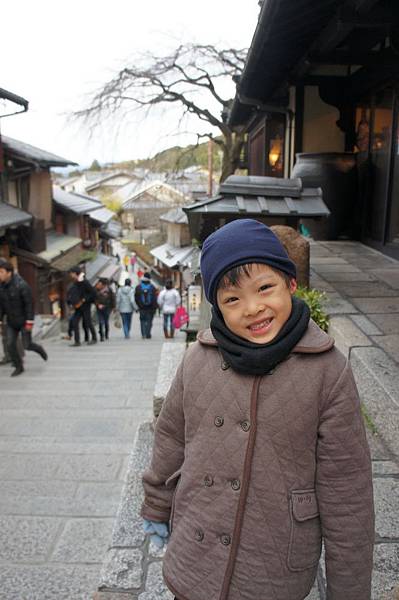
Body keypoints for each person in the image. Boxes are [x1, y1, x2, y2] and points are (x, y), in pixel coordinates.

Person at [141, 219, 374, 600]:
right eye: (232, 299)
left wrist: (349, 590)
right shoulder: (198, 359)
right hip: (195, 550)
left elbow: (347, 492)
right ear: (216, 305)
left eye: (265, 288)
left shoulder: (328, 371)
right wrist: (156, 504)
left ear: (291, 284)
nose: (253, 308)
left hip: (272, 561)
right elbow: (170, 439)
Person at [0, 260, 48, 377]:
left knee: (27, 345)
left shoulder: (22, 285)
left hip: (24, 321)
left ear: (9, 273)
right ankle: (19, 366)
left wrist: (29, 322)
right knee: (10, 344)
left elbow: (29, 304)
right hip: (11, 321)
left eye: (1, 272)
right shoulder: (1, 287)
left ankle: (39, 349)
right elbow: (1, 306)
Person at [68, 266, 97, 346]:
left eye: (71, 273)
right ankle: (77, 341)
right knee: (74, 322)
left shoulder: (85, 282)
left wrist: (84, 299)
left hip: (85, 305)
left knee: (88, 322)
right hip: (78, 306)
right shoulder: (76, 282)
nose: (70, 275)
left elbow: (93, 293)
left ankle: (94, 338)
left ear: (75, 273)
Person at [135, 272, 158, 339]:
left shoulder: (138, 287)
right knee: (149, 321)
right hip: (150, 308)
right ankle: (148, 333)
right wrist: (154, 307)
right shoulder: (152, 287)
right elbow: (154, 298)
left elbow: (136, 298)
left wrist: (139, 305)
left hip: (141, 308)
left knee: (142, 321)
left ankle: (143, 334)